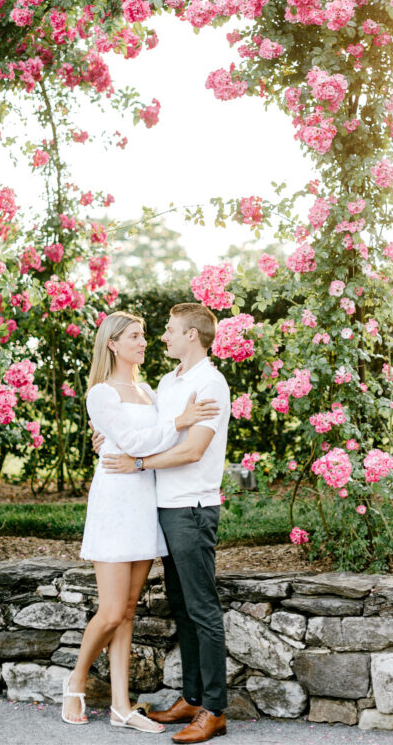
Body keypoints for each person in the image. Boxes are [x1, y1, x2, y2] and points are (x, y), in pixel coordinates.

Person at [62, 310, 219, 732]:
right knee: (111, 610)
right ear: (112, 343)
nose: (144, 341)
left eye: (146, 335)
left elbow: (144, 443)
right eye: (135, 336)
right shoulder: (101, 393)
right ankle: (76, 678)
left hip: (145, 502)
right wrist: (179, 422)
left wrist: (169, 427)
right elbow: (132, 443)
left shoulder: (151, 390)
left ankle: (121, 706)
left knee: (128, 610)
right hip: (116, 502)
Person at [101, 302, 231, 744]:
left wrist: (137, 463)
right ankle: (192, 699)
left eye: (171, 330)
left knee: (202, 609)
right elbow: (149, 429)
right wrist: (111, 435)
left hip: (193, 507)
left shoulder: (211, 383)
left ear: (191, 335)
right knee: (182, 607)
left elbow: (192, 450)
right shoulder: (168, 382)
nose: (163, 337)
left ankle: (214, 709)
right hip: (165, 507)